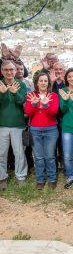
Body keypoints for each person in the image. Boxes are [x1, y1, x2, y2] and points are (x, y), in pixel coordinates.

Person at [25, 72, 59, 190]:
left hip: (50, 130)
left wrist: (45, 105)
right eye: (41, 81)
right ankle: (40, 179)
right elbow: (28, 113)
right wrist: (34, 103)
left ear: (48, 83)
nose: (43, 83)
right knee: (38, 157)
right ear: (36, 83)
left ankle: (52, 179)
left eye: (45, 81)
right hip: (35, 130)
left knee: (50, 156)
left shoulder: (53, 96)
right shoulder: (31, 95)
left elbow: (53, 113)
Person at [0, 60, 27, 190]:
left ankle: (20, 176)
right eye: (6, 70)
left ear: (15, 71)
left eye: (11, 70)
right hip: (2, 125)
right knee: (1, 153)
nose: (9, 72)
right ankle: (2, 177)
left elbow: (23, 101)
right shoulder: (0, 84)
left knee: (19, 152)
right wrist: (2, 93)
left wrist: (15, 93)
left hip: (18, 124)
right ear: (2, 71)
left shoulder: (21, 84)